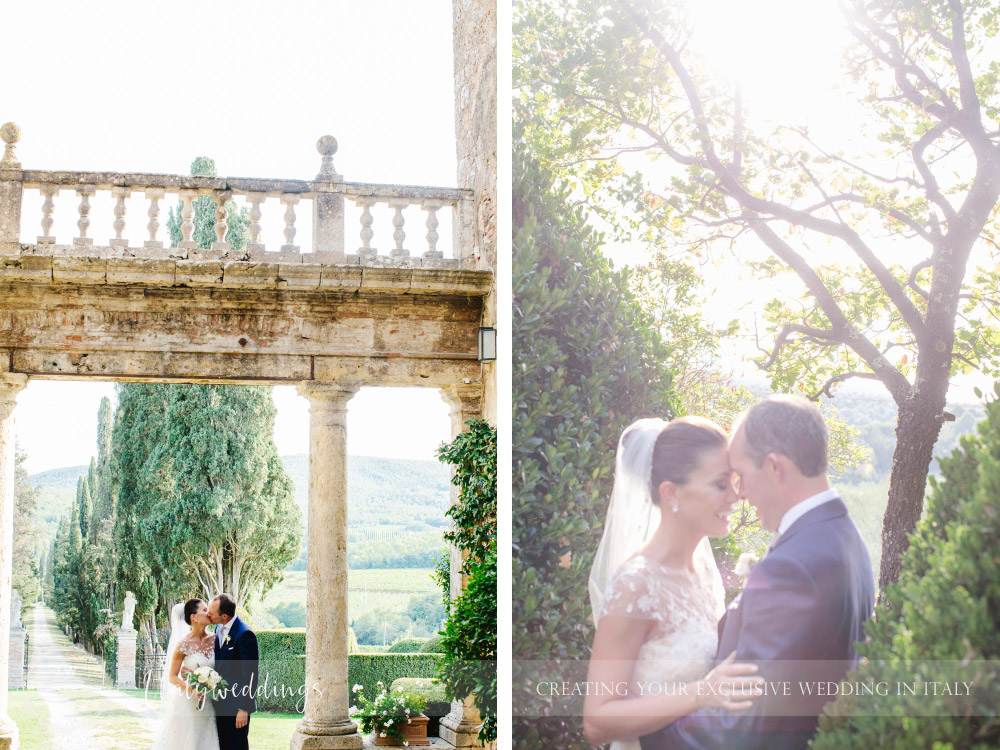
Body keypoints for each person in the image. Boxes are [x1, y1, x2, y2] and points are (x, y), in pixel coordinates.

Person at [640, 396, 876, 750]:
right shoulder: (843, 534)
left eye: (742, 476)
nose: (740, 493)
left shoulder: (792, 566)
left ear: (774, 467)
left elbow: (744, 726)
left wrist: (649, 737)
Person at [584, 417, 763, 750]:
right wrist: (701, 693)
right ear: (671, 492)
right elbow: (597, 721)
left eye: (735, 482)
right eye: (721, 484)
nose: (735, 497)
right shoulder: (636, 586)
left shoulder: (704, 573)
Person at [152, 598, 220, 750]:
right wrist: (191, 688)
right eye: (204, 610)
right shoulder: (183, 644)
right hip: (188, 703)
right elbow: (172, 677)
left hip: (211, 703)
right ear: (193, 617)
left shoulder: (216, 639)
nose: (208, 613)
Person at [208, 593, 259, 750]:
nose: (208, 615)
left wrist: (243, 709)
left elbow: (250, 675)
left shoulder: (245, 634)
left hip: (236, 707)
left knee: (237, 746)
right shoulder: (218, 628)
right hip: (219, 704)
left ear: (224, 615)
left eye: (211, 612)